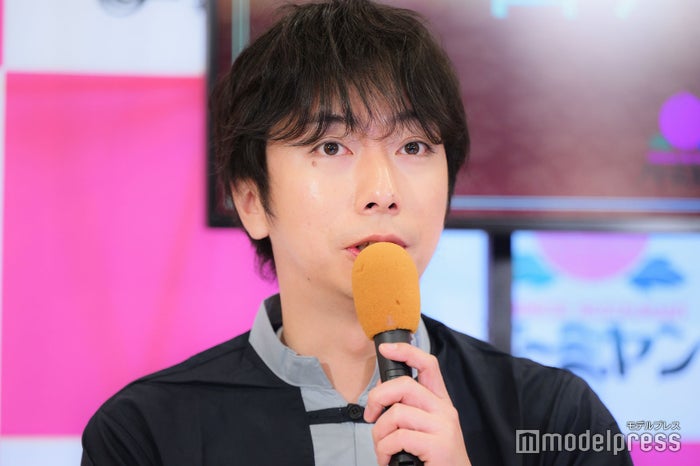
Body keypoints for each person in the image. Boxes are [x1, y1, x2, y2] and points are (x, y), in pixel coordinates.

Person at [81, 1, 633, 465]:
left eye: (413, 146)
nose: (382, 191)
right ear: (252, 202)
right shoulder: (147, 434)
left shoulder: (555, 416)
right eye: (331, 147)